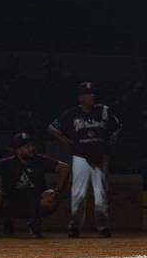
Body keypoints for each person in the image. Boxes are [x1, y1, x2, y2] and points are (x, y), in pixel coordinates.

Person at [48, 82, 122, 238]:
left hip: (101, 158)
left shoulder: (104, 111)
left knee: (100, 196)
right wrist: (66, 141)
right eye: (88, 93)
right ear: (80, 97)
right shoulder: (72, 113)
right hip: (80, 156)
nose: (91, 96)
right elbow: (52, 128)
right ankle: (74, 227)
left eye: (92, 93)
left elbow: (117, 128)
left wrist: (109, 144)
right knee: (78, 194)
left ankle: (103, 227)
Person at [0, 133, 70, 238]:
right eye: (27, 147)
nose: (32, 148)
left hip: (35, 202)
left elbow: (65, 168)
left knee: (49, 197)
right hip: (11, 203)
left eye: (32, 145)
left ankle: (35, 223)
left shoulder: (40, 160)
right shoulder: (6, 163)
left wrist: (57, 191)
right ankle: (6, 222)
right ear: (17, 150)